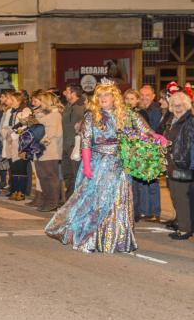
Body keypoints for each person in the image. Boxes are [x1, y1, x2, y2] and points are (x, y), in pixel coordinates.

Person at [45, 80, 158, 253]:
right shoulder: (92, 116)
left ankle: (116, 239)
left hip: (120, 165)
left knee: (118, 201)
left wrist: (158, 138)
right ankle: (92, 238)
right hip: (98, 163)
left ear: (114, 97)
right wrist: (88, 165)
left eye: (107, 95)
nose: (104, 98)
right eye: (100, 95)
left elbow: (146, 130)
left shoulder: (127, 114)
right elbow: (86, 142)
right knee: (95, 201)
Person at [162, 92, 194, 240]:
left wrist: (179, 161)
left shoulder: (188, 122)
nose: (177, 108)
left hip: (181, 166)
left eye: (180, 106)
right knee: (176, 197)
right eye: (174, 106)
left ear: (186, 106)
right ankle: (183, 225)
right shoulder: (173, 120)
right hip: (173, 164)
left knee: (181, 198)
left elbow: (188, 145)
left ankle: (184, 229)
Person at [28, 91, 63, 212]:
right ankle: (46, 200)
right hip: (39, 150)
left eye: (41, 101)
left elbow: (55, 133)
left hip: (50, 150)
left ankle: (53, 202)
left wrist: (39, 139)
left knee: (50, 176)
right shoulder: (41, 114)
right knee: (42, 176)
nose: (39, 103)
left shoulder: (55, 115)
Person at [134, 85, 163, 223]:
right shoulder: (140, 110)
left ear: (153, 96)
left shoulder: (156, 111)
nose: (144, 98)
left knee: (152, 183)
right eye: (142, 95)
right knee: (143, 182)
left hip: (152, 150)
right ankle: (146, 211)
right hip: (142, 150)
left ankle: (155, 212)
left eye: (147, 95)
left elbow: (154, 131)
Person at [3, 91, 32, 201]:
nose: (11, 102)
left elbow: (26, 126)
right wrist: (6, 133)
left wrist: (15, 134)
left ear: (19, 101)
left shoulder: (26, 110)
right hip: (10, 141)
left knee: (21, 167)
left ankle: (21, 191)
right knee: (13, 168)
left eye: (13, 100)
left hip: (21, 142)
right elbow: (5, 125)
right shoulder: (10, 111)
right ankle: (14, 190)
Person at [61, 84, 86, 201]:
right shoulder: (68, 106)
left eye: (67, 91)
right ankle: (69, 199)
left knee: (76, 174)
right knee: (67, 173)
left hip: (74, 145)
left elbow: (80, 128)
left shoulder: (80, 107)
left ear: (73, 93)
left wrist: (77, 145)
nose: (64, 93)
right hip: (66, 144)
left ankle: (75, 200)